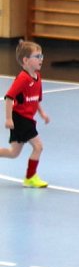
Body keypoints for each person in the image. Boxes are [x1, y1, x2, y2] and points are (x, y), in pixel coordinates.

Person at [0, 41, 50, 188]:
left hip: (27, 119)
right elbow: (9, 98)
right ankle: (30, 177)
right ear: (26, 60)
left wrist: (42, 113)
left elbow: (35, 100)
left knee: (13, 153)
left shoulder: (38, 77)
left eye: (42, 56)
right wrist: (8, 118)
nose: (41, 59)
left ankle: (30, 177)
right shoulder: (23, 78)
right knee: (38, 146)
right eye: (37, 56)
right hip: (20, 119)